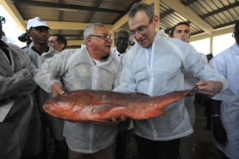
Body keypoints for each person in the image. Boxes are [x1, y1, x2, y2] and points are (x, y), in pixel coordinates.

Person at [113, 3, 227, 159]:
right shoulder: (132, 55)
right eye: (133, 32)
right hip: (142, 131)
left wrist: (218, 83)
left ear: (155, 21)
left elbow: (204, 69)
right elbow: (126, 85)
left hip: (171, 131)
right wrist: (113, 104)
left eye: (141, 28)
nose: (137, 36)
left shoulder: (178, 47)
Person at [34, 23, 122, 159]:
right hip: (76, 138)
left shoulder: (116, 65)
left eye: (109, 36)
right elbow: (41, 72)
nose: (110, 40)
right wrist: (53, 83)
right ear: (89, 40)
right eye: (104, 36)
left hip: (105, 137)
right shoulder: (69, 57)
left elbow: (120, 92)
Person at [0, 15, 43, 159]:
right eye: (39, 30)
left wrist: (13, 85)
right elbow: (1, 88)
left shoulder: (15, 49)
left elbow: (35, 78)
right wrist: (25, 74)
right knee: (9, 151)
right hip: (5, 119)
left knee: (30, 150)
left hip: (28, 111)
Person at [24, 17, 67, 159]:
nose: (43, 33)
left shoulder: (58, 56)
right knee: (38, 142)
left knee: (60, 140)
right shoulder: (23, 55)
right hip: (32, 106)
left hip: (54, 104)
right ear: (29, 32)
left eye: (45, 30)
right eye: (39, 30)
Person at [169, 22, 206, 159]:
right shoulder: (164, 56)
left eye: (186, 31)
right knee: (169, 140)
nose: (183, 34)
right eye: (179, 31)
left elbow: (202, 77)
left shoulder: (198, 56)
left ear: (190, 35)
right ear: (171, 35)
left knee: (186, 137)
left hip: (188, 102)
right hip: (169, 104)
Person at [209, 20, 239, 159]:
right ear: (235, 35)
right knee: (230, 151)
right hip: (231, 119)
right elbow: (215, 96)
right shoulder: (221, 60)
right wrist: (216, 123)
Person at [111, 30, 130, 159]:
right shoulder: (108, 54)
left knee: (122, 133)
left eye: (125, 40)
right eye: (120, 39)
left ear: (129, 42)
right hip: (108, 100)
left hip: (125, 100)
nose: (122, 42)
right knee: (109, 134)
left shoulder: (132, 56)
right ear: (115, 40)